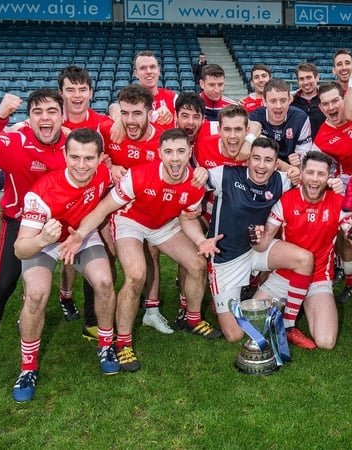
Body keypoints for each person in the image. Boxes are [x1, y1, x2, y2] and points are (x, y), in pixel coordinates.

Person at [61, 128, 216, 373]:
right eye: (168, 152)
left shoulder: (196, 182)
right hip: (129, 222)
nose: (174, 158)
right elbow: (104, 208)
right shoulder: (139, 175)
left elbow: (187, 218)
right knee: (135, 275)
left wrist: (200, 241)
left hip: (163, 225)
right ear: (159, 154)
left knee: (197, 264)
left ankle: (193, 319)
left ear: (189, 153)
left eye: (180, 151)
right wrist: (80, 234)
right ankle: (123, 342)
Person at [0, 89, 68, 391]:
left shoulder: (72, 146)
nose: (45, 118)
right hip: (19, 223)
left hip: (59, 226)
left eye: (51, 111)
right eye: (37, 112)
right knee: (3, 285)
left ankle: (96, 330)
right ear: (29, 117)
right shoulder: (14, 142)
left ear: (61, 115)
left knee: (99, 273)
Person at [12, 128, 118, 402]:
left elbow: (102, 207)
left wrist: (81, 234)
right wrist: (43, 239)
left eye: (88, 158)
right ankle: (28, 368)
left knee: (105, 282)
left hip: (81, 234)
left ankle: (106, 345)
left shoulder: (103, 174)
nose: (82, 165)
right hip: (43, 241)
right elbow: (20, 249)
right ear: (65, 155)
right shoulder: (42, 193)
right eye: (75, 157)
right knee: (35, 295)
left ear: (99, 159)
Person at [199, 138, 331, 342]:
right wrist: (198, 230)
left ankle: (288, 323)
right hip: (226, 257)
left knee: (304, 259)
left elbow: (312, 182)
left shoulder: (282, 180)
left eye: (268, 160)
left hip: (259, 247)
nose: (261, 165)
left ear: (276, 163)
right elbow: (194, 183)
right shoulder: (225, 174)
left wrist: (330, 183)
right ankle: (225, 302)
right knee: (234, 336)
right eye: (256, 158)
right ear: (247, 160)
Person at [253, 151, 352, 349]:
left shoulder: (339, 203)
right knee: (253, 326)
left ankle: (298, 309)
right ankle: (289, 313)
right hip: (285, 277)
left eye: (321, 174)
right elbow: (263, 244)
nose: (314, 179)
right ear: (301, 174)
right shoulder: (286, 200)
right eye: (310, 172)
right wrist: (255, 238)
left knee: (326, 342)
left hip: (318, 280)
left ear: (329, 177)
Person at [99, 85, 175, 334]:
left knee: (151, 255)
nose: (130, 120)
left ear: (149, 112)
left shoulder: (163, 139)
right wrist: (109, 169)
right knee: (109, 259)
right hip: (116, 211)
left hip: (150, 210)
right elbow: (85, 153)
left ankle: (151, 311)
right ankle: (105, 313)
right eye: (125, 113)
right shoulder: (108, 130)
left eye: (137, 114)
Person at [58, 64, 110, 337]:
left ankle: (92, 320)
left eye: (82, 90)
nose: (76, 95)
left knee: (93, 258)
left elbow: (118, 149)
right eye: (70, 90)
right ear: (61, 92)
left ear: (90, 93)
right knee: (52, 260)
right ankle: (63, 296)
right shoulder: (51, 123)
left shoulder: (102, 123)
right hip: (55, 205)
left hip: (90, 206)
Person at [312, 83, 352, 303]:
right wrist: (330, 182)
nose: (331, 107)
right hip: (346, 187)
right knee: (348, 233)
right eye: (326, 104)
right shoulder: (321, 139)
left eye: (335, 101)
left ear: (344, 100)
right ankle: (350, 282)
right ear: (321, 108)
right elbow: (316, 170)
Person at [249, 78, 313, 169]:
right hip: (263, 167)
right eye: (273, 101)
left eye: (283, 100)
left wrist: (299, 162)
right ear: (264, 101)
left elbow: (305, 157)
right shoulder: (255, 117)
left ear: (289, 99)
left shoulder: (300, 119)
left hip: (291, 170)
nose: (278, 106)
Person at [292, 62, 326, 138]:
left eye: (309, 77)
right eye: (301, 79)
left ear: (317, 77)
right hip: (299, 147)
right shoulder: (291, 101)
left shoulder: (327, 99)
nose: (306, 82)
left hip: (322, 146)